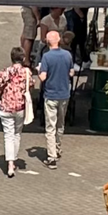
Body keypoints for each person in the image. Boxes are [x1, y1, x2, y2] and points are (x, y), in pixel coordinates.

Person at [37, 30, 75, 169]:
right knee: (60, 124)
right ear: (59, 40)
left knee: (50, 126)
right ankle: (58, 149)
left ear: (47, 42)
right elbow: (71, 72)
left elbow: (43, 77)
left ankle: (51, 156)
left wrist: (38, 70)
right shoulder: (67, 55)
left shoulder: (47, 57)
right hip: (64, 94)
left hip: (51, 95)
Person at [0, 46, 32, 178]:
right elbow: (30, 86)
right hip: (20, 107)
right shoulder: (27, 72)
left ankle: (10, 164)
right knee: (17, 134)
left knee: (8, 135)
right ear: (23, 58)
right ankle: (14, 159)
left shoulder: (4, 72)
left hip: (6, 107)